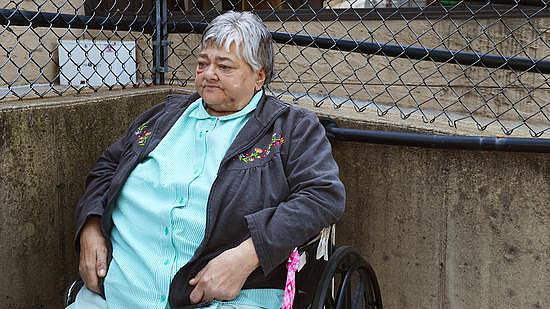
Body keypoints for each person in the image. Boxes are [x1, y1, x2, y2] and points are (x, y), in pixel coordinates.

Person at [71, 10, 345, 309]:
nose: (209, 73)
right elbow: (107, 167)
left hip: (226, 299)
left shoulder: (292, 128)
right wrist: (91, 227)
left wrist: (247, 255)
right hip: (116, 294)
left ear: (259, 76)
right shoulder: (164, 116)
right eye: (203, 63)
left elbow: (322, 196)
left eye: (225, 66)